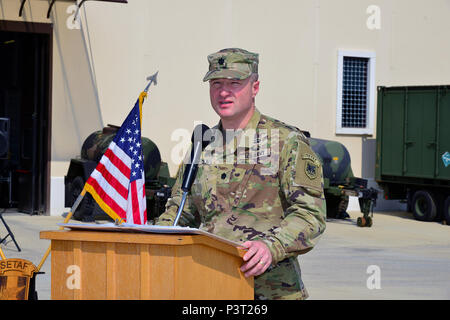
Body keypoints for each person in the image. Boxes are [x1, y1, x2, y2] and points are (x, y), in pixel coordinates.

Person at [156, 48, 326, 300]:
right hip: (210, 285)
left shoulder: (286, 141)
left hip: (271, 291)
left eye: (234, 83)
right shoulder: (203, 144)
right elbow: (181, 211)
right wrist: (153, 239)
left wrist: (272, 247)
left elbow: (310, 214)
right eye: (216, 83)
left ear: (255, 87)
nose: (223, 92)